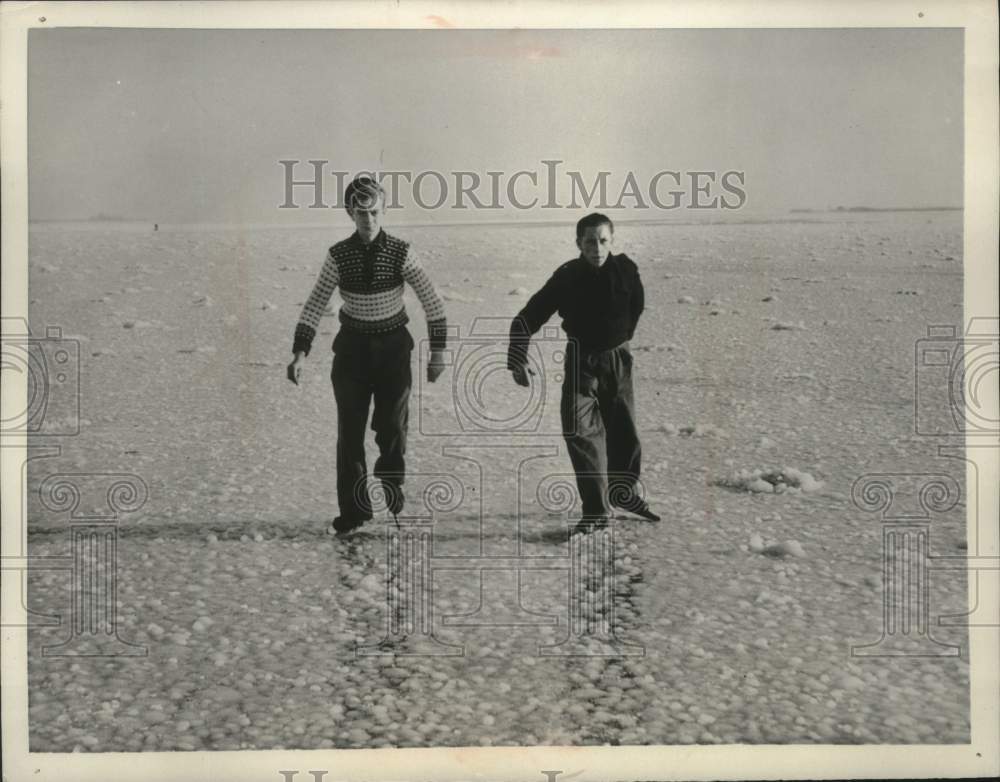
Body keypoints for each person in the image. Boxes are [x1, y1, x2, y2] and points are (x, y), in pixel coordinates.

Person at [287, 175, 448, 535]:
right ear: (350, 213)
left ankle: (391, 482)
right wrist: (300, 353)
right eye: (361, 213)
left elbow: (433, 303)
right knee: (350, 435)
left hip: (393, 351)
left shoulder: (401, 252)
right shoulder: (338, 255)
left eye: (374, 212)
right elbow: (315, 304)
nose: (368, 219)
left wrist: (438, 354)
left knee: (392, 429)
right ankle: (354, 512)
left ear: (383, 210)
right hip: (352, 353)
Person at [507, 212, 659, 534]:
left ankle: (623, 493)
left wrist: (620, 338)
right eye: (590, 242)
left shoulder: (626, 270)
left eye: (603, 241)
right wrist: (517, 358)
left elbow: (636, 306)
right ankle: (596, 512)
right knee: (578, 431)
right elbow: (528, 316)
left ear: (612, 241)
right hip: (580, 362)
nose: (597, 248)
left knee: (623, 430)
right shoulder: (567, 276)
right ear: (579, 243)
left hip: (617, 360)